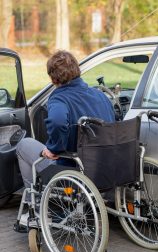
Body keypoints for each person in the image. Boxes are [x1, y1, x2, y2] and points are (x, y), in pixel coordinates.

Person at [16, 50, 115, 194]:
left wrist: (54, 148)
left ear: (53, 79)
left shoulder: (59, 99)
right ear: (77, 70)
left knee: (23, 145)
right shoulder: (101, 96)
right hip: (103, 168)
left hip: (72, 169)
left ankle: (36, 200)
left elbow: (58, 122)